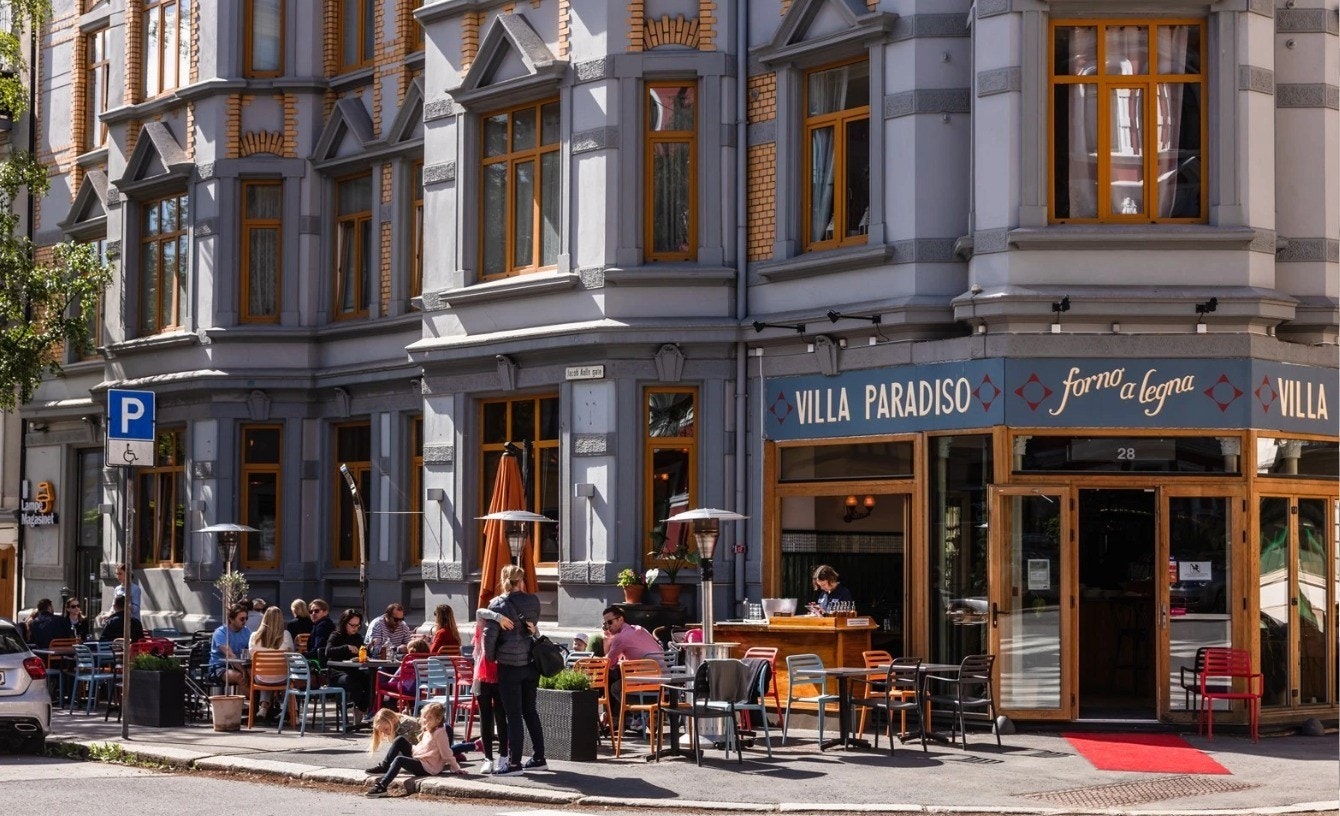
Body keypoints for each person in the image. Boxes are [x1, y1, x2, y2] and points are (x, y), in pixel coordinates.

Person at [483, 564, 545, 775]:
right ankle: (539, 757)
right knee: (530, 711)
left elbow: (488, 636)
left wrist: (492, 658)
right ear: (522, 580)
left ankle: (515, 763)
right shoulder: (533, 601)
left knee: (513, 715)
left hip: (509, 666)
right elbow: (532, 627)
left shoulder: (498, 604)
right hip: (530, 664)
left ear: (504, 579)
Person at [364, 702, 466, 797]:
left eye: (429, 717)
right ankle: (384, 767)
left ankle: (382, 787)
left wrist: (456, 768)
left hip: (428, 767)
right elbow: (422, 746)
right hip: (422, 758)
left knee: (399, 759)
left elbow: (445, 753)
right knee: (400, 741)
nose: (425, 720)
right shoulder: (429, 728)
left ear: (438, 720)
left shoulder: (437, 732)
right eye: (424, 717)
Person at [600, 605, 663, 732]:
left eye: (610, 622)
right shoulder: (641, 629)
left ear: (620, 619)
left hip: (645, 680)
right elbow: (659, 650)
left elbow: (608, 663)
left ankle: (641, 714)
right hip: (663, 679)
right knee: (623, 682)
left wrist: (607, 643)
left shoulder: (620, 638)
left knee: (615, 687)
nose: (608, 627)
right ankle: (642, 715)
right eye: (605, 624)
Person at [470, 608, 510, 773]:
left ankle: (503, 755)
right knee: (485, 717)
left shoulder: (507, 625)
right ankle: (488, 758)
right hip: (482, 675)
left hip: (500, 675)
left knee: (501, 717)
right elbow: (479, 611)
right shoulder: (485, 621)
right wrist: (498, 617)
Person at [248, 606, 295, 721]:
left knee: (266, 672)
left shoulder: (254, 636)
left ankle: (263, 707)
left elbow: (251, 655)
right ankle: (290, 711)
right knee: (287, 677)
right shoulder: (286, 635)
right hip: (282, 678)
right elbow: (292, 655)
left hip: (261, 678)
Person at [326, 608, 372, 728]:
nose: (355, 628)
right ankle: (359, 708)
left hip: (353, 670)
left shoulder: (357, 637)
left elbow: (364, 652)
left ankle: (361, 708)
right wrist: (346, 648)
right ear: (345, 623)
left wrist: (369, 649)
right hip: (337, 672)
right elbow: (328, 652)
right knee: (352, 682)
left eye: (357, 626)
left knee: (371, 679)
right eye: (352, 625)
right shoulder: (336, 635)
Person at [208, 603, 252, 689]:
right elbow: (230, 655)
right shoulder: (221, 633)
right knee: (240, 676)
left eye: (246, 618)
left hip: (240, 665)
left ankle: (263, 700)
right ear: (231, 619)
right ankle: (254, 702)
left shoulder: (247, 631)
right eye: (242, 619)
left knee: (257, 675)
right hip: (219, 667)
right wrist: (243, 671)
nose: (245, 621)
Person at [384, 636, 430, 701]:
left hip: (406, 689)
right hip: (420, 690)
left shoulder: (409, 661)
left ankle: (374, 709)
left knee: (382, 685)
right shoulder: (428, 661)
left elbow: (396, 676)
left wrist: (389, 682)